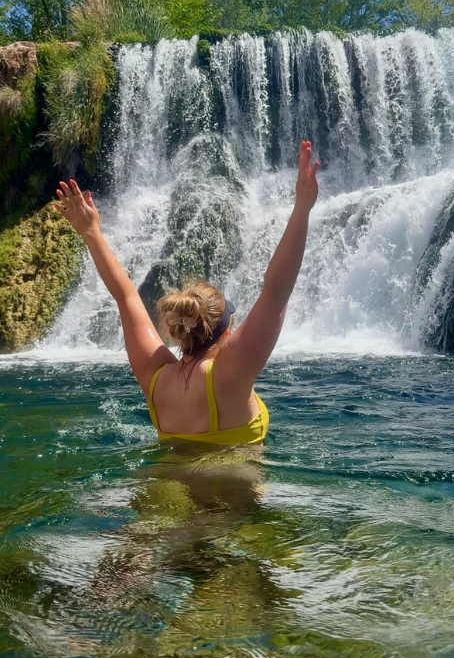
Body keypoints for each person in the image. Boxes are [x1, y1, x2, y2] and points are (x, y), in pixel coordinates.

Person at [53, 139, 320, 450]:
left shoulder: (156, 379)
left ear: (179, 329)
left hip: (162, 492)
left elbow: (126, 297)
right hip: (230, 497)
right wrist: (302, 206)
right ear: (226, 332)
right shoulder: (230, 374)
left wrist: (91, 232)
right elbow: (276, 290)